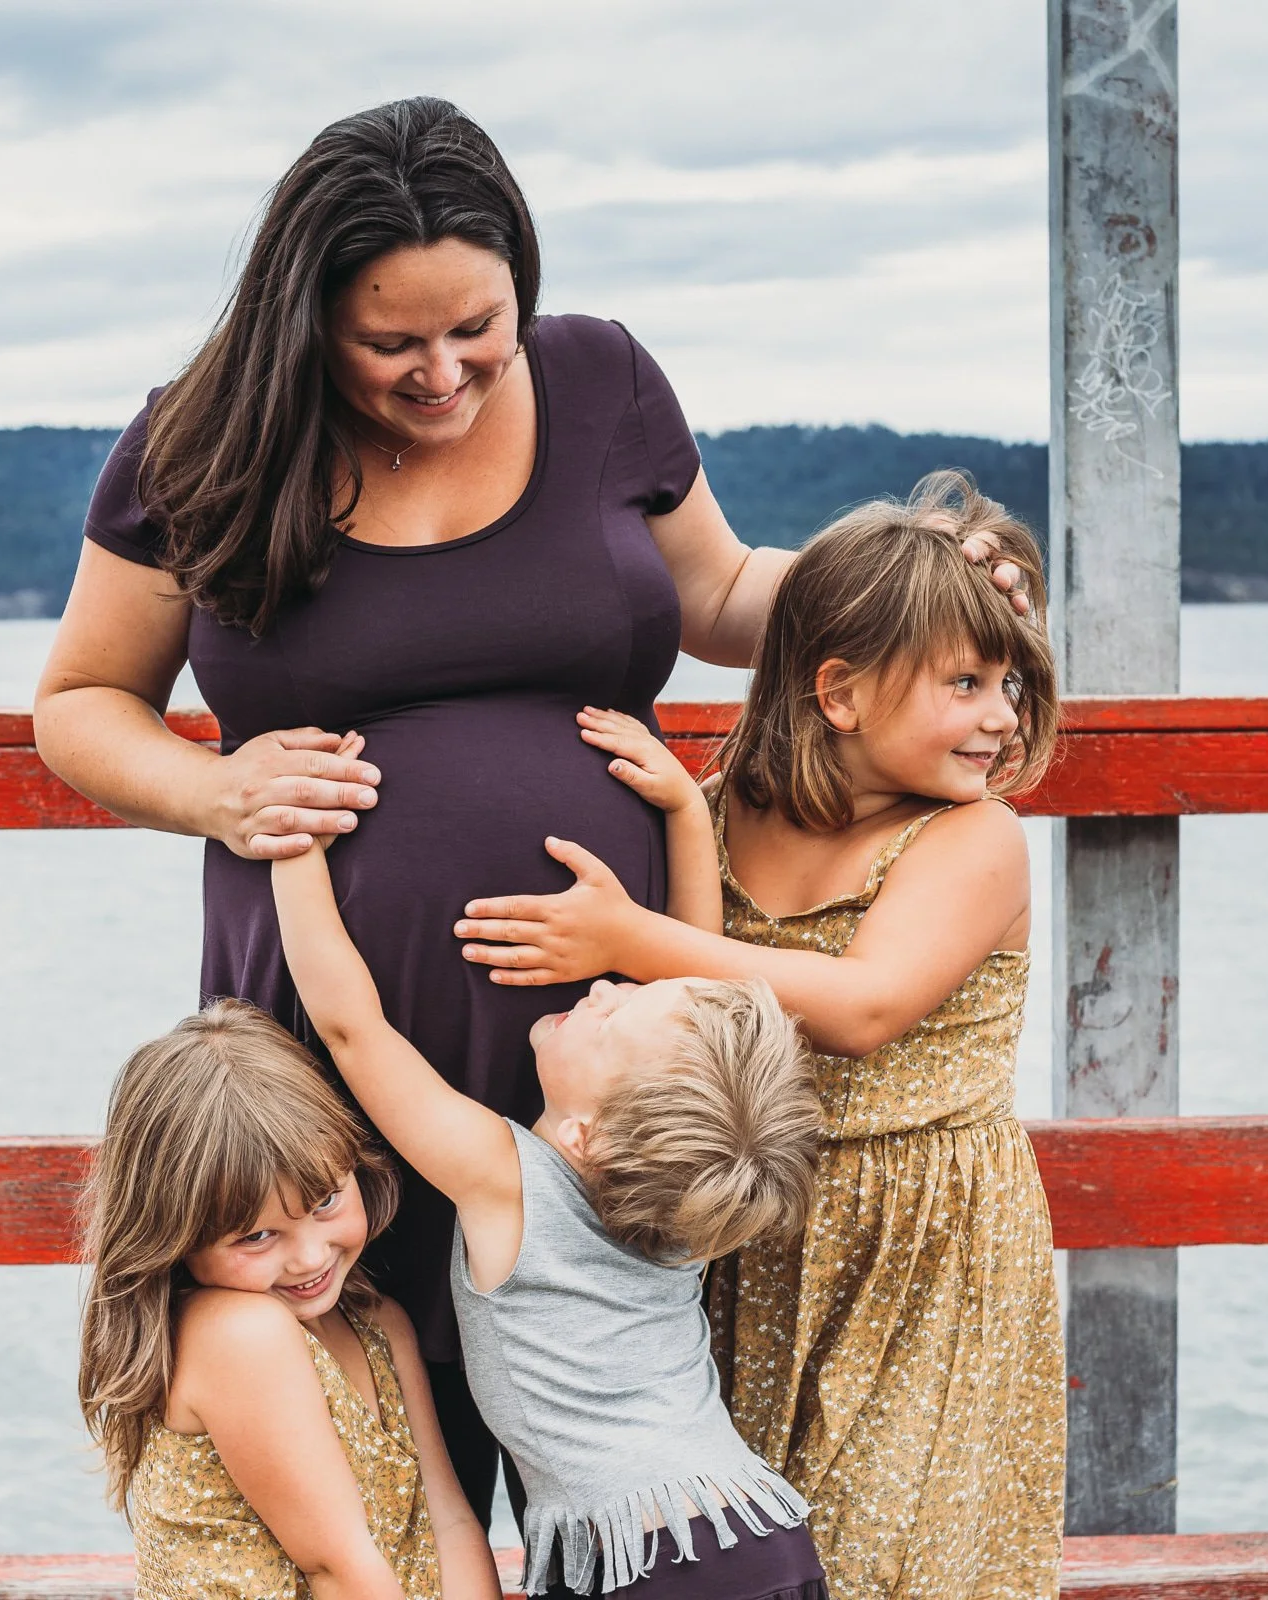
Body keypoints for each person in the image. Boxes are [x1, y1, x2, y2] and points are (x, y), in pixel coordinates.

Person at [33, 95, 1025, 1509]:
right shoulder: (200, 440)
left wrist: (916, 582)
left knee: (614, 1433)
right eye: (391, 342)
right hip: (334, 1020)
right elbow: (80, 703)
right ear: (305, 319)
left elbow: (724, 592)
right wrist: (218, 788)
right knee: (366, 1439)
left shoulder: (602, 381)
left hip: (606, 1054)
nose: (444, 373)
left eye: (477, 330)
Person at [452, 472, 1067, 1598]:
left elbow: (865, 1007)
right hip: (738, 1227)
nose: (1003, 717)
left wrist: (625, 936)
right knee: (751, 1541)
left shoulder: (975, 839)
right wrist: (680, 818)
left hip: (916, 1247)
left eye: (1011, 684)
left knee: (897, 1547)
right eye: (968, 682)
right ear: (840, 692)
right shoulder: (735, 802)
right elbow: (706, 983)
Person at [267, 832, 829, 1599]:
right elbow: (691, 981)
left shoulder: (508, 1182)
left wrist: (292, 844)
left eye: (611, 1022)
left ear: (586, 1137)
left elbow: (351, 1032)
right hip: (760, 1537)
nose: (604, 991)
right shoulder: (688, 1211)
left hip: (647, 1565)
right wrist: (684, 819)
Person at [78, 1000, 497, 1600]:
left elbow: (449, 1522)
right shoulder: (238, 1333)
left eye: (325, 1201)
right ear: (176, 1235)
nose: (308, 1257)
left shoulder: (381, 1326)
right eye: (256, 1236)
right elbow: (336, 1568)